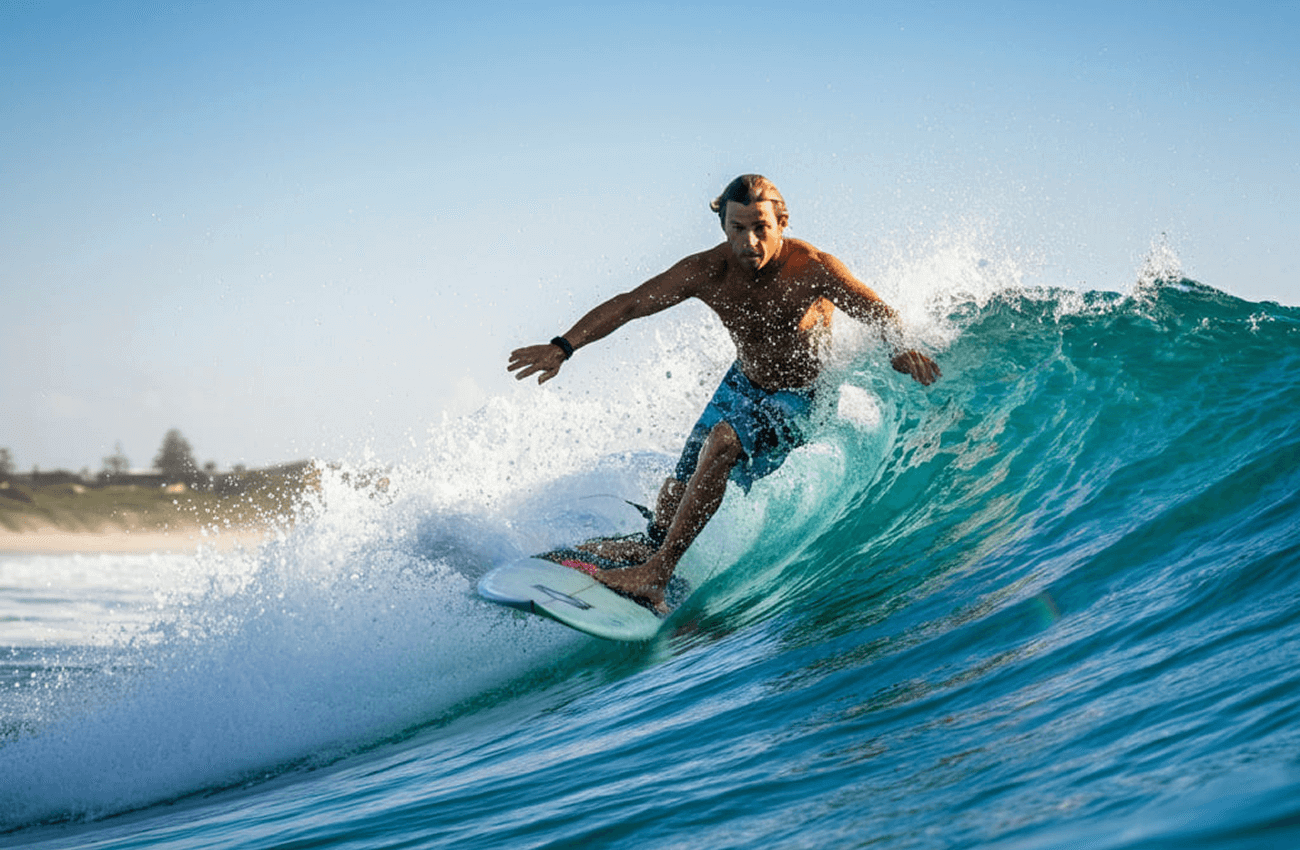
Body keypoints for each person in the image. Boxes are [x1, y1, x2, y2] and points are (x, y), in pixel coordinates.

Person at [508, 175, 940, 613]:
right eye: (737, 228)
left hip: (804, 394)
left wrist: (900, 347)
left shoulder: (812, 267)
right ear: (723, 225)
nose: (749, 241)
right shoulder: (708, 271)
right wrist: (563, 347)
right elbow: (631, 303)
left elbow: (877, 310)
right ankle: (650, 549)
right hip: (743, 383)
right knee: (677, 488)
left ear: (782, 222)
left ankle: (655, 576)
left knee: (724, 442)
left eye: (761, 228)